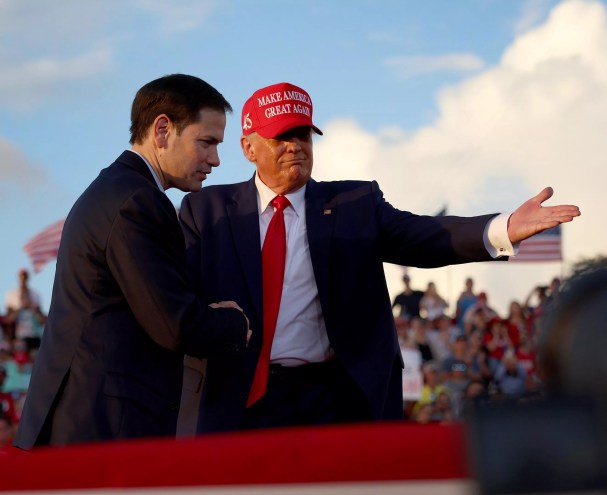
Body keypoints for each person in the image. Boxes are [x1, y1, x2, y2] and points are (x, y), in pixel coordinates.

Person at [179, 81, 580, 433]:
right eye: (281, 136)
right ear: (248, 147)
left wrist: (501, 228)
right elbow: (176, 294)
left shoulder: (355, 203)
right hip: (243, 397)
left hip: (336, 398)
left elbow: (425, 236)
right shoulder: (207, 210)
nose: (295, 146)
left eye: (303, 134)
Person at [13, 74, 250, 449]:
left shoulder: (117, 189)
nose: (215, 159)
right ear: (162, 130)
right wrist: (234, 322)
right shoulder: (137, 201)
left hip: (85, 423)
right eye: (207, 142)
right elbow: (173, 324)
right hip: (100, 431)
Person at [3, 269, 46, 350]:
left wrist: (30, 306)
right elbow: (8, 319)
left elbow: (41, 320)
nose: (23, 280)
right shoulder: (12, 294)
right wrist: (21, 306)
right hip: (19, 337)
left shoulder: (35, 294)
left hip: (34, 336)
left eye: (25, 278)